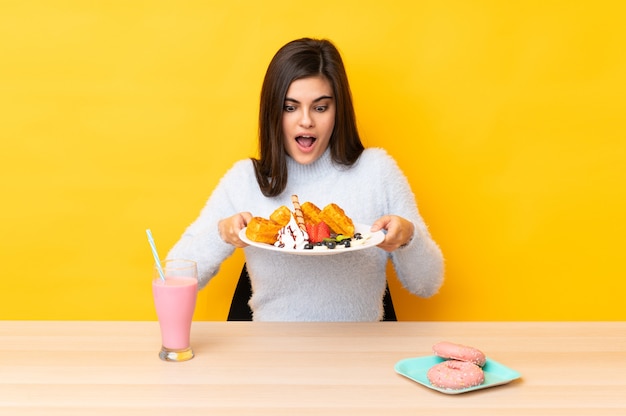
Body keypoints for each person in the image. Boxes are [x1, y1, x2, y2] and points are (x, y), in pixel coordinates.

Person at [167, 38, 444, 321]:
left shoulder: (377, 171)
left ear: (339, 110)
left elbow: (427, 284)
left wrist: (409, 237)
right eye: (290, 107)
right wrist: (221, 234)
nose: (306, 121)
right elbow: (173, 276)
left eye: (320, 107)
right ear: (273, 112)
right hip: (272, 354)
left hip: (359, 353)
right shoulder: (246, 179)